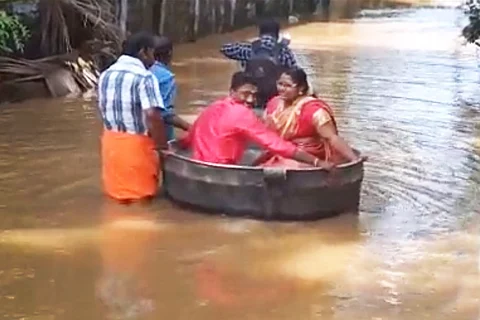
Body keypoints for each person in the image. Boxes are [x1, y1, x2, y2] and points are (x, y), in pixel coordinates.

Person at [179, 72, 332, 169]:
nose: (251, 100)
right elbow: (276, 145)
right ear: (232, 92)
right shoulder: (242, 114)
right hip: (222, 169)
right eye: (245, 94)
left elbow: (189, 137)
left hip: (198, 166)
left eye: (253, 95)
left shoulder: (212, 106)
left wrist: (172, 149)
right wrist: (316, 162)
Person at [97, 32, 167, 203]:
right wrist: (162, 147)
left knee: (117, 199)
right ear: (143, 52)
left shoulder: (106, 74)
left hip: (111, 147)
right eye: (152, 53)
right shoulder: (144, 77)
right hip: (136, 149)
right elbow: (152, 114)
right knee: (141, 202)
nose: (154, 60)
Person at [255, 68, 364, 168]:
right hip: (280, 151)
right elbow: (265, 132)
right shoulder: (273, 103)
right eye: (280, 84)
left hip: (308, 157)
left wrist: (354, 159)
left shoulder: (314, 110)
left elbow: (332, 138)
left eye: (288, 86)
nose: (282, 89)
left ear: (301, 88)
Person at [220, 19, 297, 108]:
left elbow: (225, 49)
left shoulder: (248, 48)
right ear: (277, 34)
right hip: (274, 101)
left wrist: (243, 43)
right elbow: (296, 74)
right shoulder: (285, 51)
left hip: (251, 98)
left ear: (260, 33)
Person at [149, 36, 191, 141]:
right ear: (170, 53)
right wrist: (191, 128)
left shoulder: (141, 71)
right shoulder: (166, 77)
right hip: (160, 138)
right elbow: (165, 115)